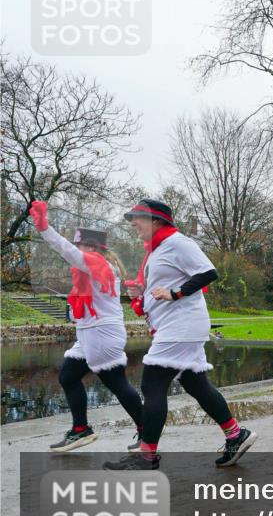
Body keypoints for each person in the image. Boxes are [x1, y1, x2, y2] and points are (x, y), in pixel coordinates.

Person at [104, 199, 256, 470]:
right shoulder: (157, 250)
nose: (133, 223)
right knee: (195, 383)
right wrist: (143, 292)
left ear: (157, 221)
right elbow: (165, 283)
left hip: (182, 325)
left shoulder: (178, 242)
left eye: (138, 218)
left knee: (152, 384)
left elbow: (208, 272)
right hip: (176, 325)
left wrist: (175, 293)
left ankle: (146, 457)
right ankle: (236, 435)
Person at [27, 201, 144, 452]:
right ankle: (81, 429)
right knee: (68, 376)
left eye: (80, 245)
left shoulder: (98, 264)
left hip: (101, 334)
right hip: (91, 333)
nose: (77, 249)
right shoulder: (94, 268)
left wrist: (45, 228)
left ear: (91, 248)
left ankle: (148, 430)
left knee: (116, 382)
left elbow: (65, 250)